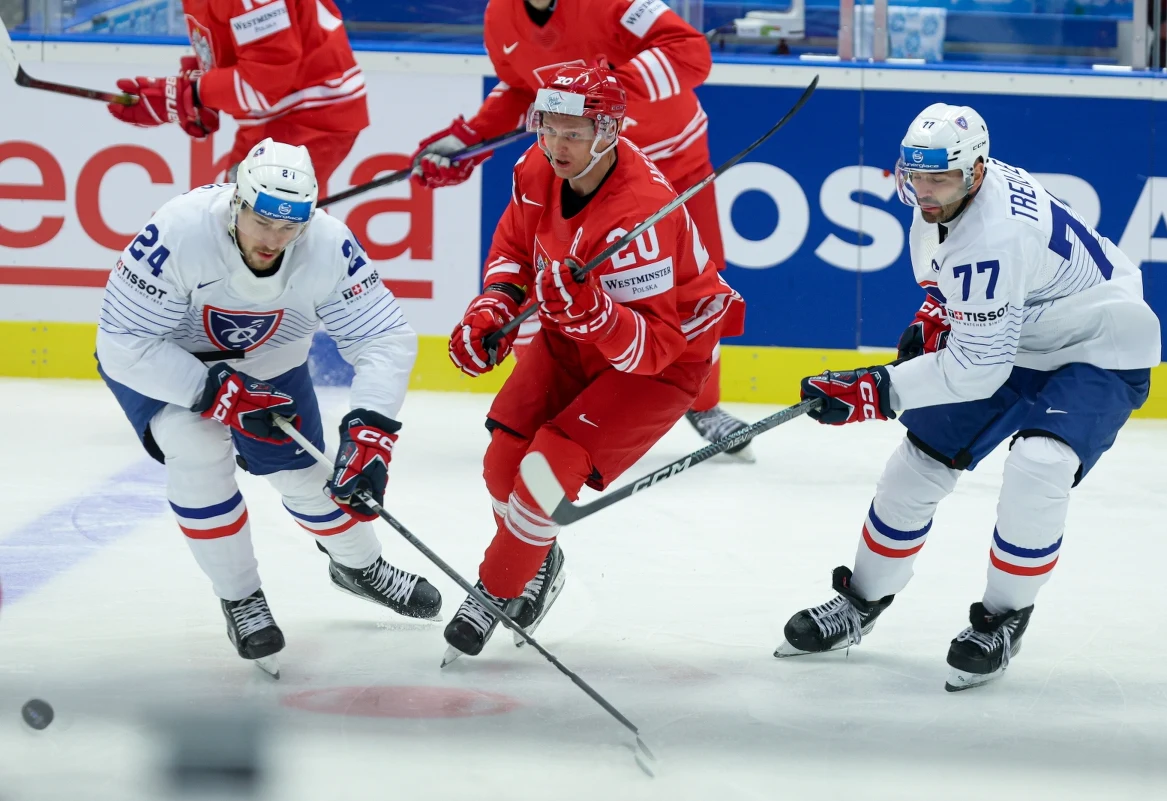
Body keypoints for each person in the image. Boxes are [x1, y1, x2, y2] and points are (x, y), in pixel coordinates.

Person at [776, 104, 1161, 691]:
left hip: (1099, 345)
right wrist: (939, 310)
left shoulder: (995, 235)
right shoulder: (951, 193)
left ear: (976, 172)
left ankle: (1004, 619)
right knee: (917, 465)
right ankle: (861, 602)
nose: (926, 193)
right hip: (1022, 334)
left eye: (941, 179)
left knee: (1040, 463)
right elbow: (966, 291)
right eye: (916, 176)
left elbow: (978, 368)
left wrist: (874, 391)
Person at [95, 138, 440, 678]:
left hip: (267, 359)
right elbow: (122, 342)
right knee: (197, 445)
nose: (275, 240)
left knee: (305, 473)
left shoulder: (325, 243)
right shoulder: (180, 230)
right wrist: (212, 393)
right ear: (237, 202)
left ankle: (361, 567)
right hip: (165, 358)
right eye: (263, 221)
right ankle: (241, 598)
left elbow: (385, 338)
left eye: (290, 226)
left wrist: (371, 428)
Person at [440, 63, 744, 663]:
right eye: (549, 126)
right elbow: (512, 249)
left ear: (608, 132)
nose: (556, 144)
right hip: (575, 335)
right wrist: (492, 312)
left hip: (666, 362)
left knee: (547, 473)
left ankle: (492, 594)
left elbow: (654, 347)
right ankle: (536, 559)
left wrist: (593, 314)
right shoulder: (535, 168)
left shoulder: (638, 215)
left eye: (573, 132)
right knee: (505, 463)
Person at [412, 0, 756, 459]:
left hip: (673, 161)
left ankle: (704, 405)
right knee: (556, 284)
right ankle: (550, 409)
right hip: (584, 171)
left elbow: (688, 49)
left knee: (691, 289)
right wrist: (469, 138)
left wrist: (613, 89)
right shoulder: (501, 17)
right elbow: (521, 90)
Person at [106, 0, 368, 193]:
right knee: (235, 222)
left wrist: (195, 95)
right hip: (280, 112)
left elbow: (267, 82)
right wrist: (199, 85)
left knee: (257, 231)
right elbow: (236, 48)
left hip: (309, 115)